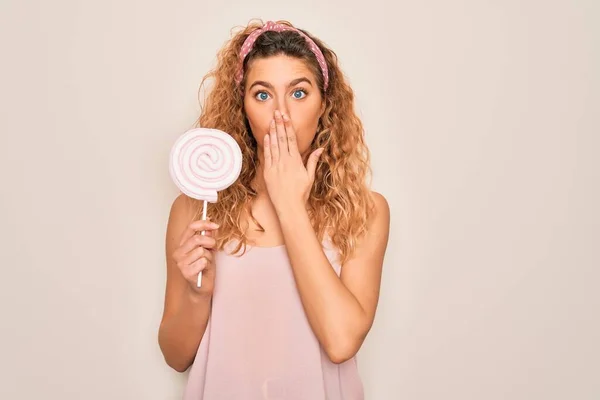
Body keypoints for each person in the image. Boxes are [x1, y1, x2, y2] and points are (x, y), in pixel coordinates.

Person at [158, 19, 390, 400]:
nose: (280, 114)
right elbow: (175, 355)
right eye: (262, 95)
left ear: (324, 106)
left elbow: (341, 341)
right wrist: (197, 295)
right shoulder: (197, 208)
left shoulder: (365, 211)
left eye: (299, 93)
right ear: (242, 108)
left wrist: (290, 207)